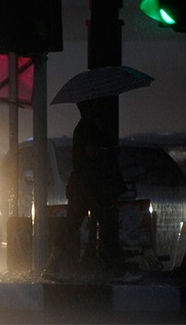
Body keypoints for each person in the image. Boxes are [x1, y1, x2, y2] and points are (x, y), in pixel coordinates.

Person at [45, 97, 140, 282]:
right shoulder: (87, 128)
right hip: (93, 188)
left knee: (71, 226)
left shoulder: (82, 128)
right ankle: (118, 271)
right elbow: (90, 152)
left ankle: (52, 266)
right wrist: (108, 150)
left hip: (83, 187)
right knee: (109, 228)